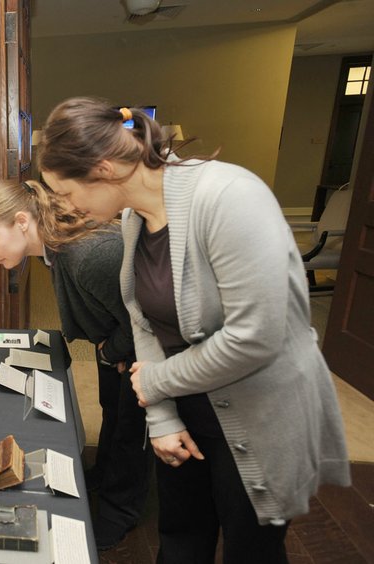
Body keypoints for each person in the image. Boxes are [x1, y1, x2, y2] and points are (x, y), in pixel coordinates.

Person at [37, 96, 351, 563]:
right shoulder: (132, 219)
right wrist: (162, 417)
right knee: (181, 536)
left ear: (102, 169)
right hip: (189, 406)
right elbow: (141, 318)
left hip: (258, 408)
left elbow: (256, 336)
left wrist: (155, 382)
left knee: (251, 549)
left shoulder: (228, 196)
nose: (65, 207)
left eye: (64, 193)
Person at [0, 178, 150, 549]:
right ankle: (103, 475)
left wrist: (109, 352)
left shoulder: (89, 255)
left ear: (20, 221)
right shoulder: (54, 246)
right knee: (111, 411)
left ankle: (118, 512)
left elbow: (144, 319)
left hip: (139, 350)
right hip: (110, 339)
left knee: (131, 428)